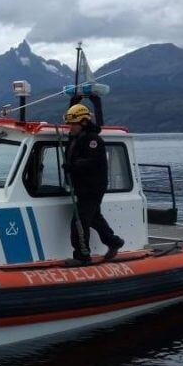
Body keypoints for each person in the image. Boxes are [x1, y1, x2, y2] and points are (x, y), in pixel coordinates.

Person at [62, 98, 124, 265]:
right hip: (81, 186)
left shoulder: (93, 140)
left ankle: (82, 256)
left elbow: (93, 162)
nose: (71, 127)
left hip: (92, 188)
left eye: (73, 124)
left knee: (79, 221)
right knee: (94, 218)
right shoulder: (75, 137)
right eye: (70, 124)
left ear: (83, 122)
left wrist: (72, 166)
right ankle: (114, 242)